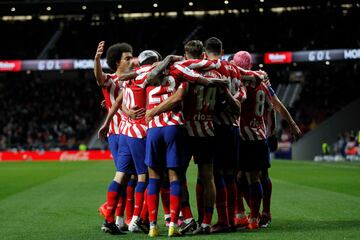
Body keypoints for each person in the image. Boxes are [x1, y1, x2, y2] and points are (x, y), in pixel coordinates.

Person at [233, 50, 301, 228]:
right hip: (260, 135)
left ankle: (242, 214)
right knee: (260, 176)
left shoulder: (237, 83)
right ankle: (261, 214)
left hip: (241, 136)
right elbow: (276, 106)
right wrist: (291, 125)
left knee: (238, 176)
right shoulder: (264, 84)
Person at [94, 41, 133, 235]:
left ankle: (119, 219)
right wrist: (97, 59)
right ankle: (111, 216)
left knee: (128, 178)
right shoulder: (111, 80)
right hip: (118, 134)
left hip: (131, 133)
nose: (131, 60)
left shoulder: (132, 79)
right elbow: (99, 76)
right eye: (127, 58)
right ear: (117, 62)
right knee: (124, 175)